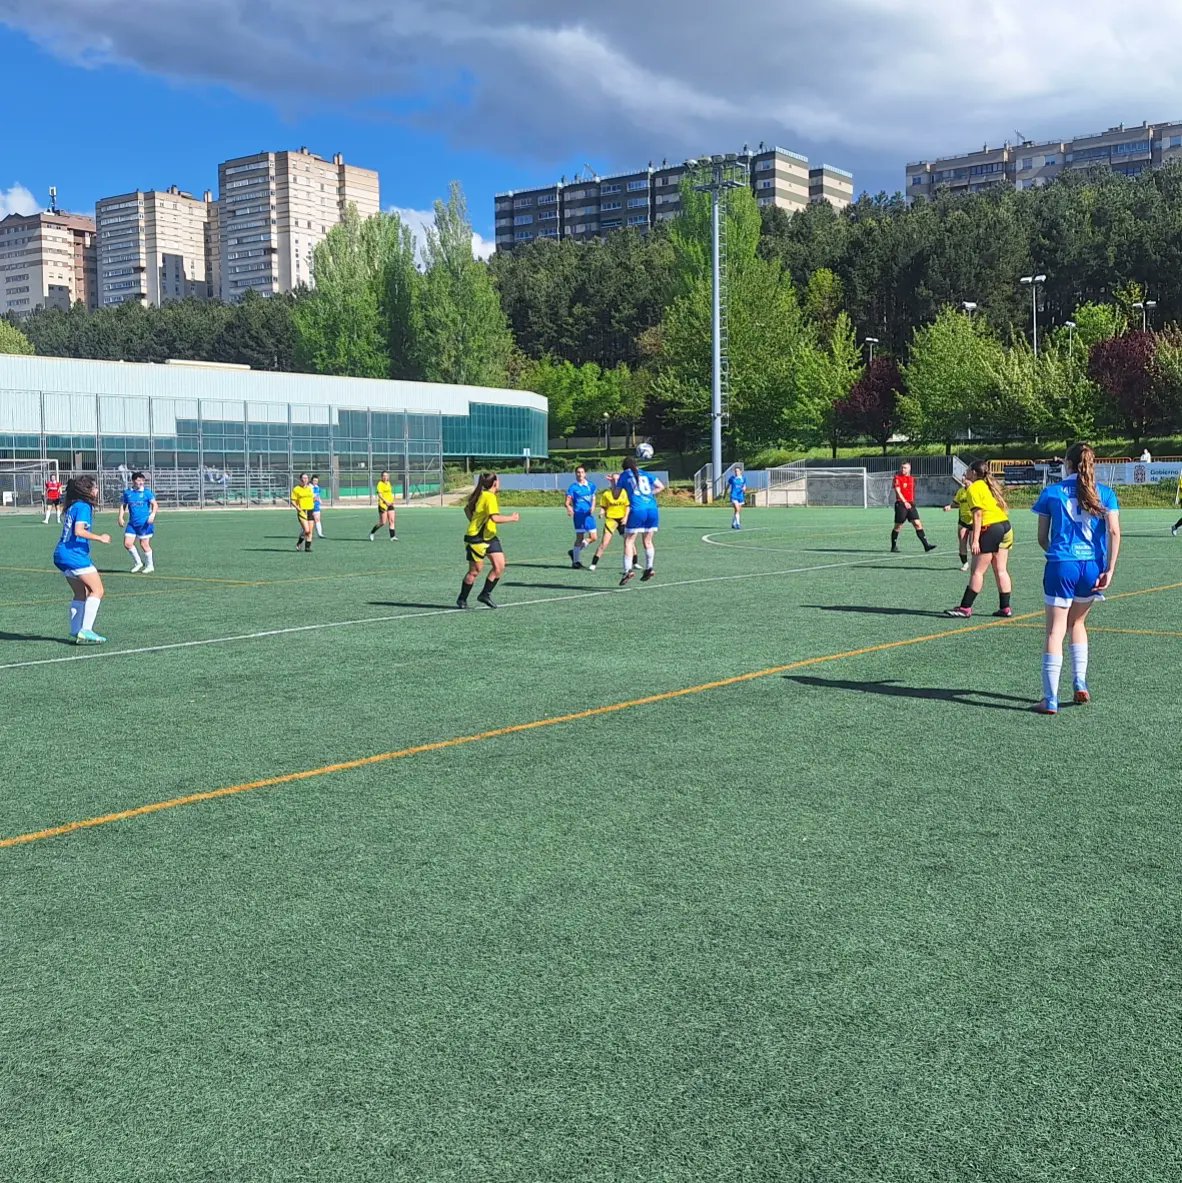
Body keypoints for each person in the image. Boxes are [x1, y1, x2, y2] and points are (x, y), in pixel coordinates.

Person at [1031, 442, 1120, 715]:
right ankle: (1080, 680)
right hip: (1092, 566)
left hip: (1062, 565)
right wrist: (1109, 569)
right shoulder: (1104, 493)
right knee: (1078, 622)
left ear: (1067, 464)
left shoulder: (1052, 492)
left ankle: (1050, 699)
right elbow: (1114, 532)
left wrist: (1059, 555)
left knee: (1054, 631)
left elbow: (1042, 538)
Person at [944, 460, 1013, 618]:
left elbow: (978, 514)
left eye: (967, 469)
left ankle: (965, 608)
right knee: (1001, 569)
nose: (965, 472)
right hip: (1005, 526)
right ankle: (1005, 608)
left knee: (977, 572)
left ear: (973, 473)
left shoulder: (973, 488)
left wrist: (975, 540)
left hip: (990, 528)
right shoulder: (987, 485)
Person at [53, 475, 111, 644]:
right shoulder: (84, 506)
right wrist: (100, 538)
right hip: (74, 555)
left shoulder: (73, 506)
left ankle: (75, 629)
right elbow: (79, 531)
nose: (97, 490)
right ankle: (86, 630)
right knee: (97, 590)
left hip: (61, 554)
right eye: (95, 487)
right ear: (88, 490)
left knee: (80, 593)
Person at [458, 472, 519, 609]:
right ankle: (462, 599)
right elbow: (494, 518)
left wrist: (475, 521)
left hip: (489, 536)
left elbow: (467, 509)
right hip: (476, 539)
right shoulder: (488, 496)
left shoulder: (484, 494)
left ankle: (485, 594)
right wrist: (512, 518)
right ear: (495, 483)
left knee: (500, 566)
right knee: (475, 571)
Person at [616, 456, 665, 585]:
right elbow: (661, 486)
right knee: (648, 541)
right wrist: (649, 494)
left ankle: (628, 570)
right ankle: (649, 567)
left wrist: (613, 483)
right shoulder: (646, 473)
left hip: (638, 510)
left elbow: (616, 495)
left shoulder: (624, 475)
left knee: (629, 541)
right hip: (652, 509)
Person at [891, 462, 936, 553]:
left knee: (917, 523)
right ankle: (893, 546)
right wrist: (905, 502)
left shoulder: (912, 479)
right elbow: (898, 491)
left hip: (911, 504)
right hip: (901, 504)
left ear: (909, 469)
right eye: (902, 467)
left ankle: (926, 545)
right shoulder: (897, 478)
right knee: (898, 526)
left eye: (905, 468)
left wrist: (910, 502)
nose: (903, 470)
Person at [589, 473, 629, 572]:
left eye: (617, 480)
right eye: (614, 479)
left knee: (629, 542)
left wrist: (625, 517)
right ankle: (594, 563)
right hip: (611, 520)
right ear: (610, 481)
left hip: (622, 520)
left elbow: (628, 506)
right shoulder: (606, 494)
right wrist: (601, 512)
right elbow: (603, 506)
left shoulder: (624, 492)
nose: (616, 481)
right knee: (604, 543)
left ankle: (635, 562)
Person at [119, 471, 158, 574]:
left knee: (144, 544)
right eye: (138, 480)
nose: (141, 482)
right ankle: (138, 563)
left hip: (144, 523)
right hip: (132, 524)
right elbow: (123, 505)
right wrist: (120, 517)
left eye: (142, 480)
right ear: (133, 481)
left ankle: (150, 565)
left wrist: (152, 514)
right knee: (127, 544)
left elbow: (155, 504)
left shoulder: (147, 492)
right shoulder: (128, 493)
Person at [564, 465, 597, 568]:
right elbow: (567, 502)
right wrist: (569, 508)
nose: (580, 474)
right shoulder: (573, 487)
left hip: (588, 515)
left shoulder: (591, 486)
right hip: (578, 515)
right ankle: (576, 561)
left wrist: (593, 507)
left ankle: (574, 552)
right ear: (575, 474)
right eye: (578, 472)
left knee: (594, 537)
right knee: (579, 537)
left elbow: (594, 498)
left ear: (585, 474)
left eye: (582, 472)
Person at [941, 472, 974, 572]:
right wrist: (950, 506)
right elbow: (956, 503)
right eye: (963, 477)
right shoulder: (960, 491)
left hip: (974, 521)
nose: (964, 479)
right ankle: (965, 563)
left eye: (966, 477)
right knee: (962, 542)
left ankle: (977, 563)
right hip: (963, 520)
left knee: (973, 544)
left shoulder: (975, 491)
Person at [290, 472, 315, 552]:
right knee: (306, 530)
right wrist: (297, 508)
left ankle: (307, 548)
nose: (305, 480)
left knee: (310, 531)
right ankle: (299, 543)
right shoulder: (296, 489)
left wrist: (315, 500)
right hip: (302, 511)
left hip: (310, 510)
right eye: (303, 478)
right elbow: (293, 501)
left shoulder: (310, 488)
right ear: (300, 479)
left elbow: (312, 498)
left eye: (306, 478)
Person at [369, 470, 398, 541]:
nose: (385, 477)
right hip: (383, 505)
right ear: (381, 477)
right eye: (383, 476)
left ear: (388, 477)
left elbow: (389, 493)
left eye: (386, 476)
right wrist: (385, 501)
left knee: (392, 520)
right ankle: (372, 532)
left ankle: (392, 537)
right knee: (383, 522)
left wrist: (391, 501)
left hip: (390, 504)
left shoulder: (388, 483)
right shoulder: (380, 484)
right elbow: (379, 494)